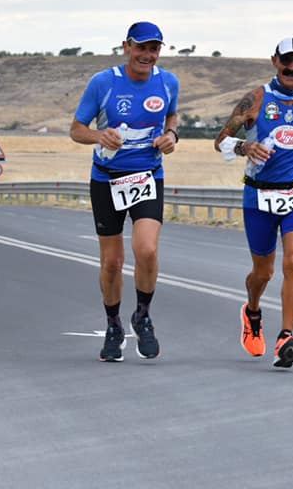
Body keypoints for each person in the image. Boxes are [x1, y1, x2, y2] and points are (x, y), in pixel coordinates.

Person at [214, 37, 293, 368]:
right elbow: (222, 141)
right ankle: (252, 311)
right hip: (259, 194)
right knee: (264, 271)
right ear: (275, 61)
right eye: (287, 61)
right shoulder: (255, 99)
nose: (292, 68)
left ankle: (287, 336)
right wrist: (245, 148)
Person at [70, 21, 180, 362]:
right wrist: (99, 136)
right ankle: (114, 324)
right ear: (126, 47)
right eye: (141, 47)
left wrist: (172, 137)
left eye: (154, 49)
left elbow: (172, 117)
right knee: (113, 262)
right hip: (106, 180)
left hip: (147, 176)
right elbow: (76, 129)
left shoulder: (168, 82)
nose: (147, 55)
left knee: (146, 250)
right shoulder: (103, 83)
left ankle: (142, 315)